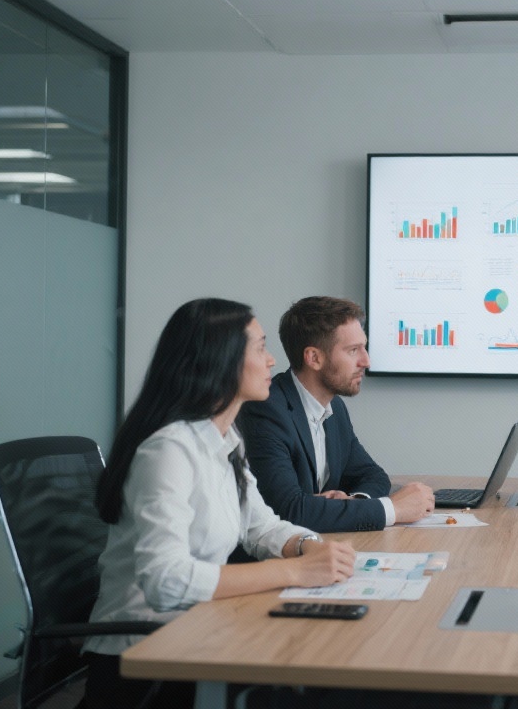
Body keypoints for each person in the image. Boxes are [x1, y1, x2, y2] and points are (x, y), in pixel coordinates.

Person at [83, 298, 356, 709]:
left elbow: (261, 527)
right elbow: (167, 581)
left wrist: (310, 546)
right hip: (145, 658)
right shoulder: (168, 451)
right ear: (222, 362)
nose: (270, 362)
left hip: (197, 630)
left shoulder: (224, 440)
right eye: (260, 348)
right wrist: (294, 570)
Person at [237, 296, 434, 533]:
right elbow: (288, 510)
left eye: (364, 347)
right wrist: (392, 509)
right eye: (353, 351)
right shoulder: (266, 409)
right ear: (314, 358)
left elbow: (373, 475)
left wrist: (355, 502)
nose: (367, 361)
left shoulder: (334, 407)